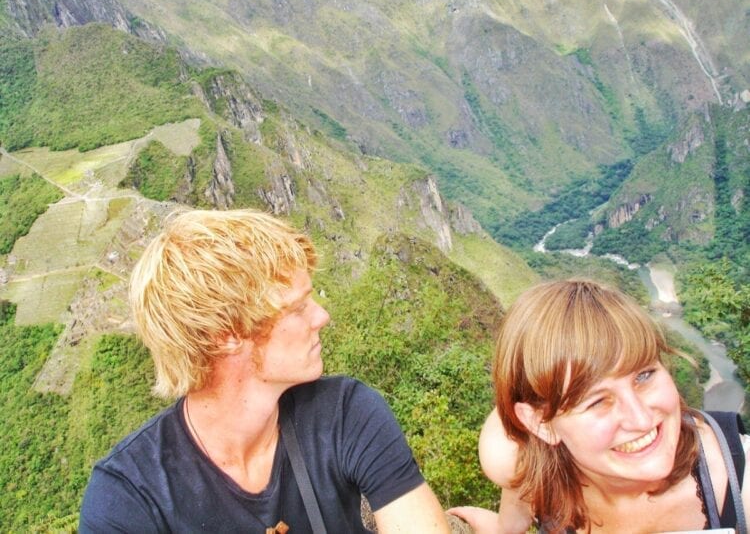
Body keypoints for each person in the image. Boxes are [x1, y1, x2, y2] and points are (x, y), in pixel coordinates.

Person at [79, 208, 449, 533]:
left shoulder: (346, 413)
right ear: (226, 335)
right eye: (298, 308)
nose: (322, 317)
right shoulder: (129, 497)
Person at [449, 279, 750, 533]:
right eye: (597, 401)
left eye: (644, 375)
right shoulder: (517, 459)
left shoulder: (740, 484)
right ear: (541, 424)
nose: (641, 418)